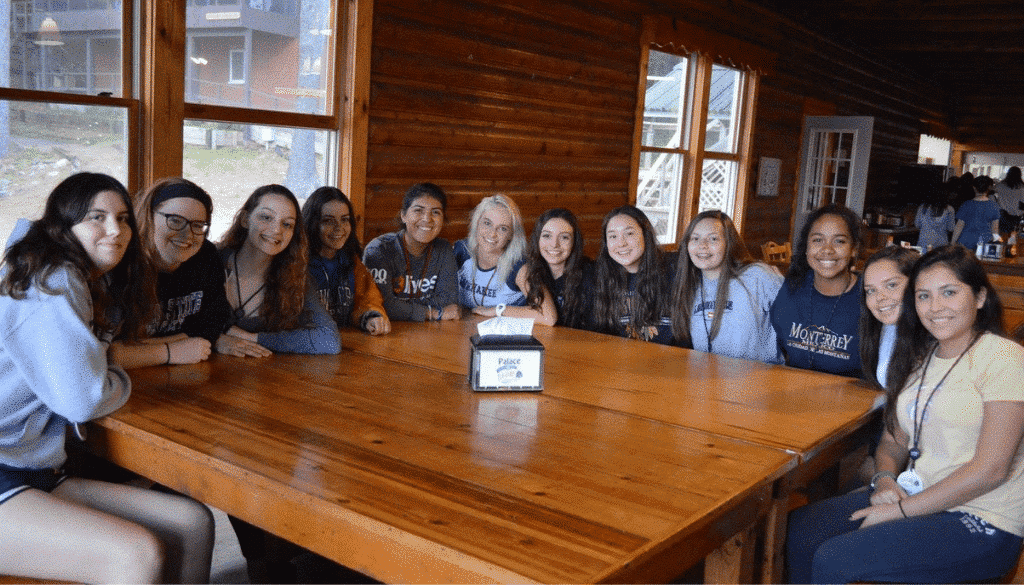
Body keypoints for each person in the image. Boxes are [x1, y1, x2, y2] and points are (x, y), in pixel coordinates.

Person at [0, 172, 214, 583]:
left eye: (123, 218)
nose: (115, 230)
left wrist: (101, 368)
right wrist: (114, 374)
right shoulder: (51, 279)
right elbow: (83, 397)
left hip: (35, 471)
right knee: (135, 554)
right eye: (96, 217)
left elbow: (89, 369)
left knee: (191, 523)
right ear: (63, 227)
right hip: (5, 471)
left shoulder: (77, 277)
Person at [786, 244, 1024, 584]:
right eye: (924, 296)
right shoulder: (920, 357)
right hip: (918, 496)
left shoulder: (1003, 358)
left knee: (835, 559)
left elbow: (991, 469)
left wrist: (897, 512)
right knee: (801, 529)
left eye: (949, 293)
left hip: (984, 517)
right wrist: (884, 480)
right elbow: (893, 441)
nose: (935, 307)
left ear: (981, 297)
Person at [108, 178, 233, 367]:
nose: (188, 234)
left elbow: (210, 327)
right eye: (175, 220)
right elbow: (106, 354)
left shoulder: (206, 257)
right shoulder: (119, 263)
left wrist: (135, 351)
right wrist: (171, 351)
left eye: (198, 225)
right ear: (148, 216)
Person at [218, 184, 340, 355]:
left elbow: (330, 341)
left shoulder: (294, 276)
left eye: (287, 224)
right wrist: (215, 338)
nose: (277, 230)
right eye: (266, 217)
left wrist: (248, 337)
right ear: (245, 219)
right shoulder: (211, 262)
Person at [671, 210, 782, 362]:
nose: (702, 245)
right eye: (695, 238)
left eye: (713, 239)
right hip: (707, 381)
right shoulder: (690, 285)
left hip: (757, 379)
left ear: (729, 243)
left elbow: (796, 318)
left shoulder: (756, 276)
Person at [770, 203, 862, 377]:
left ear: (854, 249)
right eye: (818, 240)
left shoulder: (869, 295)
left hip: (853, 400)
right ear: (806, 247)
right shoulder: (791, 289)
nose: (827, 249)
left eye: (839, 241)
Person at [363, 182, 460, 322]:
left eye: (435, 212)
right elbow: (381, 305)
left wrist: (401, 307)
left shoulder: (443, 249)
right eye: (418, 210)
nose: (427, 219)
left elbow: (449, 301)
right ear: (403, 215)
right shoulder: (380, 250)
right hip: (388, 332)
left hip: (430, 333)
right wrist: (432, 313)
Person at [455, 194, 556, 324]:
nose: (492, 233)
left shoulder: (519, 266)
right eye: (487, 223)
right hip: (461, 330)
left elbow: (549, 317)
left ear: (511, 235)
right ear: (477, 223)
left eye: (503, 229)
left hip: (505, 337)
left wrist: (498, 310)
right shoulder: (460, 251)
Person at [302, 186, 390, 335]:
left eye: (344, 220)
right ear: (312, 223)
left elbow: (368, 299)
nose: (339, 228)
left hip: (345, 343)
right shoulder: (298, 263)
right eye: (328, 220)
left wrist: (371, 317)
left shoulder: (352, 262)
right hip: (303, 343)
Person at [592, 205, 673, 343]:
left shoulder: (674, 273)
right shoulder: (600, 278)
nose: (621, 243)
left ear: (645, 235)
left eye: (629, 233)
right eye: (613, 236)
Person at [523, 207, 594, 329]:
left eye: (564, 237)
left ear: (574, 242)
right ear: (537, 239)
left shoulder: (591, 274)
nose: (554, 244)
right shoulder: (530, 272)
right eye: (547, 236)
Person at [860, 246, 920, 389]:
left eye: (891, 285)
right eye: (871, 290)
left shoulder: (940, 336)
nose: (880, 297)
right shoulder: (885, 329)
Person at [952, 175, 1000, 249]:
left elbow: (959, 226)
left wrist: (952, 243)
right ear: (988, 188)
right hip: (984, 242)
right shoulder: (994, 206)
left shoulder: (966, 204)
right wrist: (996, 244)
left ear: (974, 188)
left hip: (965, 242)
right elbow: (995, 229)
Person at [995, 166, 1024, 240]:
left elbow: (994, 197)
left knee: (1002, 235)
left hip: (1002, 215)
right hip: (1017, 216)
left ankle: (1002, 248)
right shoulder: (1022, 187)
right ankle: (1009, 249)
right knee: (1013, 236)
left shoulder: (1000, 185)